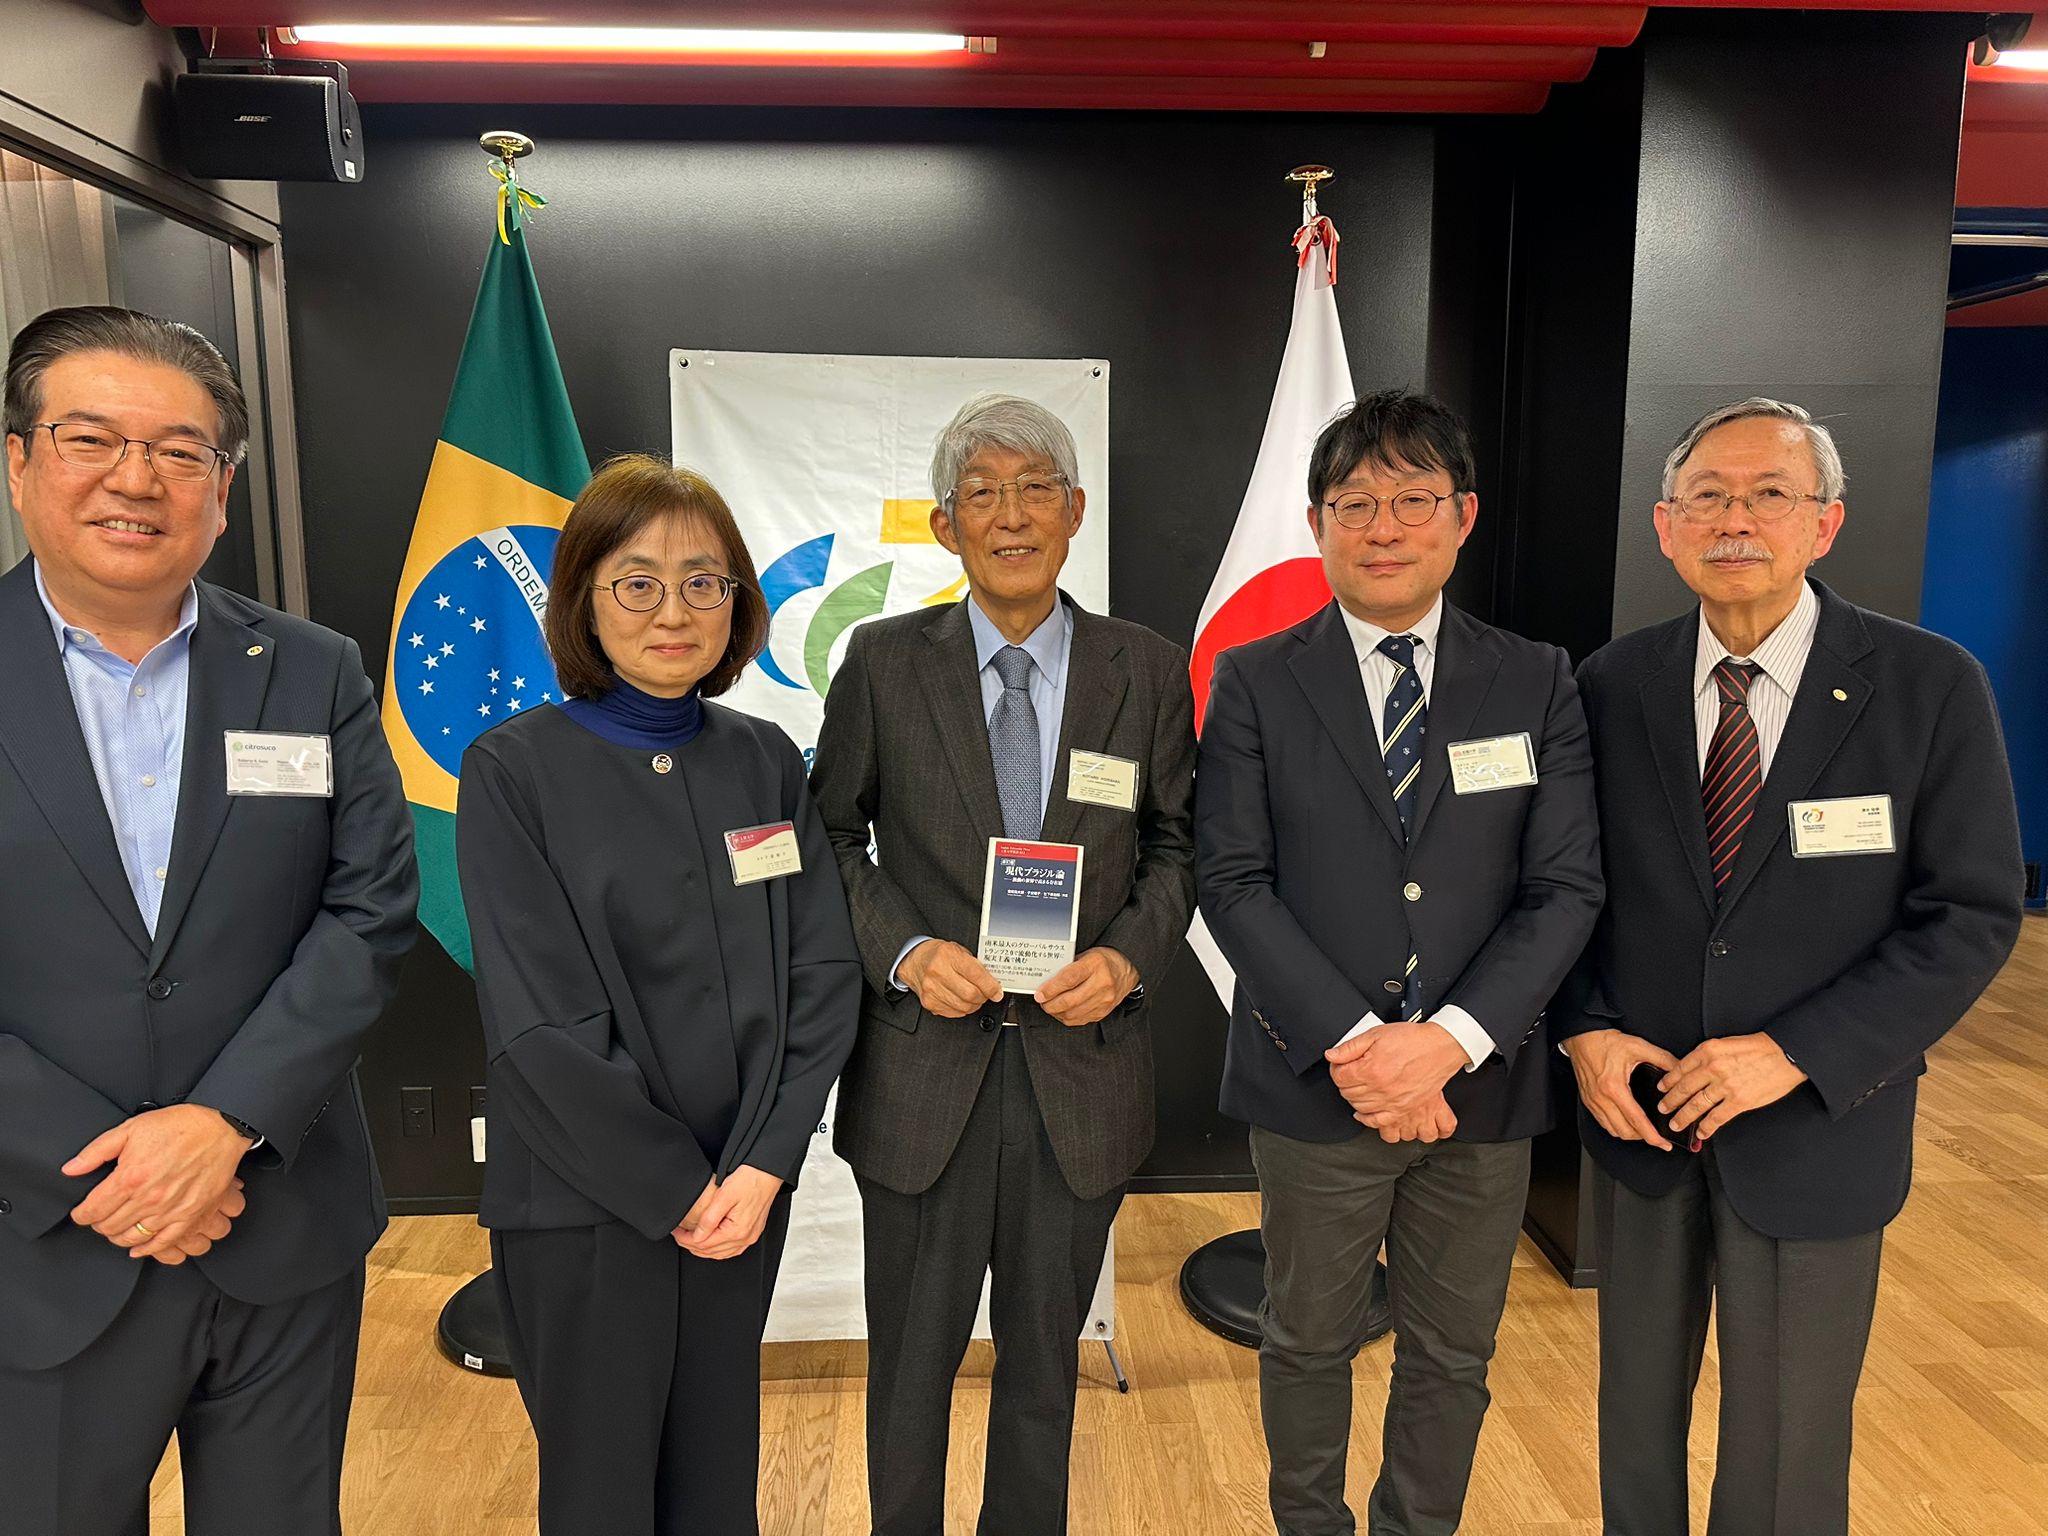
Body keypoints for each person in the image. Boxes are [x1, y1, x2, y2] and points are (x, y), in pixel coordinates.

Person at [1557, 397, 2024, 1536]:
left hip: (1819, 1125)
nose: (1736, 521)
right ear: (1664, 526)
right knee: (1633, 1429)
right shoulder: (1609, 685)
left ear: (1825, 522)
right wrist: (1584, 1026)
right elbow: (1562, 890)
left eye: (1769, 494)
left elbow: (1968, 914)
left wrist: (1794, 1053)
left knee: (1788, 1452)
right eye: (1707, 497)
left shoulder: (1927, 685)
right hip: (1643, 1123)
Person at [0, 305, 418, 1534]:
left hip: (280, 1224)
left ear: (222, 491)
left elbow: (368, 909)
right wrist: (113, 1165)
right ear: (19, 461)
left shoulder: (311, 669)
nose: (137, 480)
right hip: (42, 1234)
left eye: (180, 452)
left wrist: (226, 1123)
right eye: (91, 439)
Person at [1195, 389, 1604, 1536]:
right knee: (1304, 1339)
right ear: (1316, 524)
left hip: (1481, 1088)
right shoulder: (1255, 678)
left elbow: (1564, 886)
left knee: (1450, 1351)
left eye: (1412, 500)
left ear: (1461, 515)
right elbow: (1231, 880)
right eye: (1353, 504)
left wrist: (1446, 1046)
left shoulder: (1535, 678)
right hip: (1314, 1084)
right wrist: (1363, 1048)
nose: (1382, 527)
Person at [808, 393, 1196, 1536]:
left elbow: (1178, 845)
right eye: (981, 493)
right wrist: (904, 951)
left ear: (1075, 511)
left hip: (1081, 1076)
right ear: (945, 526)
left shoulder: (1146, 668)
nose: (1010, 515)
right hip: (922, 1074)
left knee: (1041, 1375)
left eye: (1034, 490)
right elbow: (828, 834)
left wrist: (1124, 961)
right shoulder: (882, 663)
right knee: (908, 1376)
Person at [456, 453, 859, 1536]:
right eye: (636, 582)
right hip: (587, 1203)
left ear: (739, 602)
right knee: (601, 1495)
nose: (673, 611)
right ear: (583, 600)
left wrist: (765, 1162)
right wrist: (678, 1188)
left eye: (702, 581)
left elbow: (821, 972)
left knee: (716, 1482)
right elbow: (539, 1023)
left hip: (743, 1193)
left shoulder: (764, 760)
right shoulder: (513, 770)